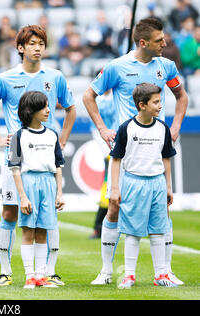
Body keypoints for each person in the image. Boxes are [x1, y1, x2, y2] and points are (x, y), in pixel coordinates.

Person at [83, 17, 189, 286]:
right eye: (158, 40)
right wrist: (103, 129)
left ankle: (165, 271)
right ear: (143, 43)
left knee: (163, 211)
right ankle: (107, 271)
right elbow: (88, 96)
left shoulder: (165, 66)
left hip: (156, 146)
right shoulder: (117, 67)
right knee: (114, 207)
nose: (165, 43)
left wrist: (174, 126)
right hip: (125, 149)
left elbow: (182, 97)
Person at [0, 24, 76, 287]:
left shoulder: (55, 76)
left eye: (41, 43)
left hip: (45, 153)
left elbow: (71, 109)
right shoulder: (5, 78)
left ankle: (48, 272)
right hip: (18, 154)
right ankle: (5, 270)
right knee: (11, 213)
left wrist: (62, 141)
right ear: (20, 48)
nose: (38, 48)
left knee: (47, 215)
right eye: (32, 43)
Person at [110, 83, 178, 288]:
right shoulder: (126, 128)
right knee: (133, 231)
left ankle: (161, 275)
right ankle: (129, 275)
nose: (160, 105)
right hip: (134, 182)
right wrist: (115, 187)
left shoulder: (162, 128)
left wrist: (168, 186)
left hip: (157, 182)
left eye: (160, 101)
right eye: (156, 102)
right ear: (142, 105)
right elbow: (116, 159)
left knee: (159, 230)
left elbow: (166, 158)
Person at [9, 91, 65, 289]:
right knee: (28, 230)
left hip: (48, 183)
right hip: (29, 182)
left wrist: (59, 192)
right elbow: (15, 168)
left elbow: (58, 166)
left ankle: (41, 275)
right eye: (43, 107)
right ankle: (29, 275)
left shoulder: (52, 135)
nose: (48, 110)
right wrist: (22, 197)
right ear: (30, 111)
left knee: (43, 230)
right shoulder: (19, 136)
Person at [89, 87, 115, 240]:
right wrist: (108, 150)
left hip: (118, 146)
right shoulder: (96, 100)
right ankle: (99, 228)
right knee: (108, 188)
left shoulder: (116, 97)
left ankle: (100, 228)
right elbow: (95, 128)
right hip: (110, 150)